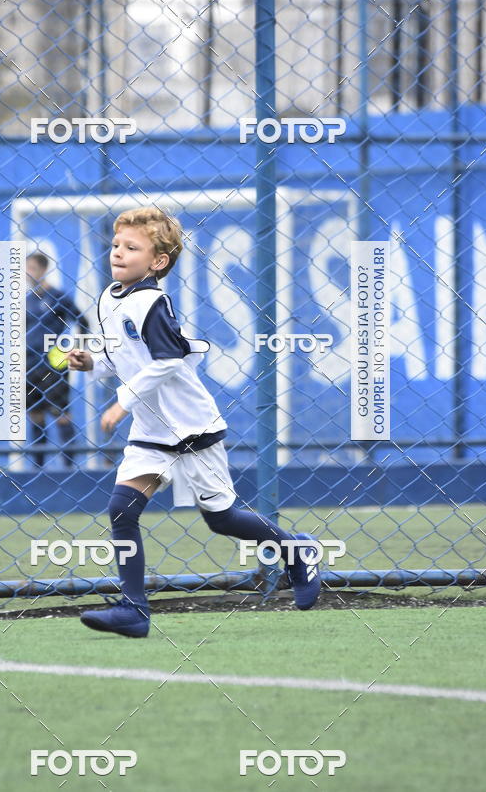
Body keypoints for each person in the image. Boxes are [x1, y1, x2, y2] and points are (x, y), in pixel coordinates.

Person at [68, 206, 321, 638]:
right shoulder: (110, 297)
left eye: (132, 247)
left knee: (221, 519)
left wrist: (123, 402)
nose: (118, 252)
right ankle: (134, 610)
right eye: (115, 245)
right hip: (150, 436)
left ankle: (297, 550)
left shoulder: (152, 301)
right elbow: (126, 356)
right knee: (121, 509)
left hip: (191, 432)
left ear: (158, 262)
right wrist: (92, 363)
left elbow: (166, 362)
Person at [25, 251, 89, 470]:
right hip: (29, 365)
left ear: (43, 269)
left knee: (60, 414)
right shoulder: (27, 301)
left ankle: (69, 468)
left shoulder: (57, 297)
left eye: (32, 268)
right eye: (26, 268)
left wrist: (77, 350)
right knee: (35, 416)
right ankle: (37, 469)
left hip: (53, 366)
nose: (28, 273)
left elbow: (83, 322)